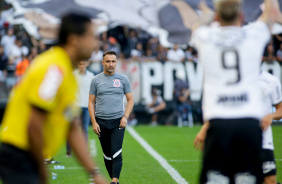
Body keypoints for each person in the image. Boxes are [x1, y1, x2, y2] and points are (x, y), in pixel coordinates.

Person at [0, 13, 106, 184]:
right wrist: (41, 168)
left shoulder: (66, 71)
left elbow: (72, 128)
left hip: (27, 155)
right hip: (20, 154)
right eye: (92, 37)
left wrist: (95, 174)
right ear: (74, 40)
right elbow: (34, 123)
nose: (97, 43)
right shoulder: (54, 69)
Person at [190, 0, 282, 183]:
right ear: (242, 16)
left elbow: (196, 26)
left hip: (219, 122)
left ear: (216, 17)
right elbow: (271, 13)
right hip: (249, 123)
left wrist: (207, 14)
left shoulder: (205, 37)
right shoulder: (254, 35)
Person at [194, 71, 282, 184]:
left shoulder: (270, 81)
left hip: (263, 140)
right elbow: (222, 108)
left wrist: (271, 115)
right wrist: (205, 128)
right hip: (237, 136)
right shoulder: (235, 79)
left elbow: (280, 107)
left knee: (270, 180)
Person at [89, 50, 134, 184]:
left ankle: (115, 181)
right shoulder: (96, 80)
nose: (111, 64)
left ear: (116, 63)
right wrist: (93, 122)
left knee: (116, 153)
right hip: (101, 122)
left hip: (117, 122)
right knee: (107, 156)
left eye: (113, 61)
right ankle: (113, 179)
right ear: (103, 62)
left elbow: (130, 99)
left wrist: (125, 117)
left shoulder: (123, 79)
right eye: (108, 61)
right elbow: (91, 102)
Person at [66, 60, 94, 157]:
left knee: (84, 129)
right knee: (71, 128)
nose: (82, 66)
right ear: (77, 64)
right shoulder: (73, 75)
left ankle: (84, 151)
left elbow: (93, 90)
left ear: (87, 64)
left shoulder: (91, 75)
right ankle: (68, 151)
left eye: (83, 64)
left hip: (86, 105)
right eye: (80, 64)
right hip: (74, 105)